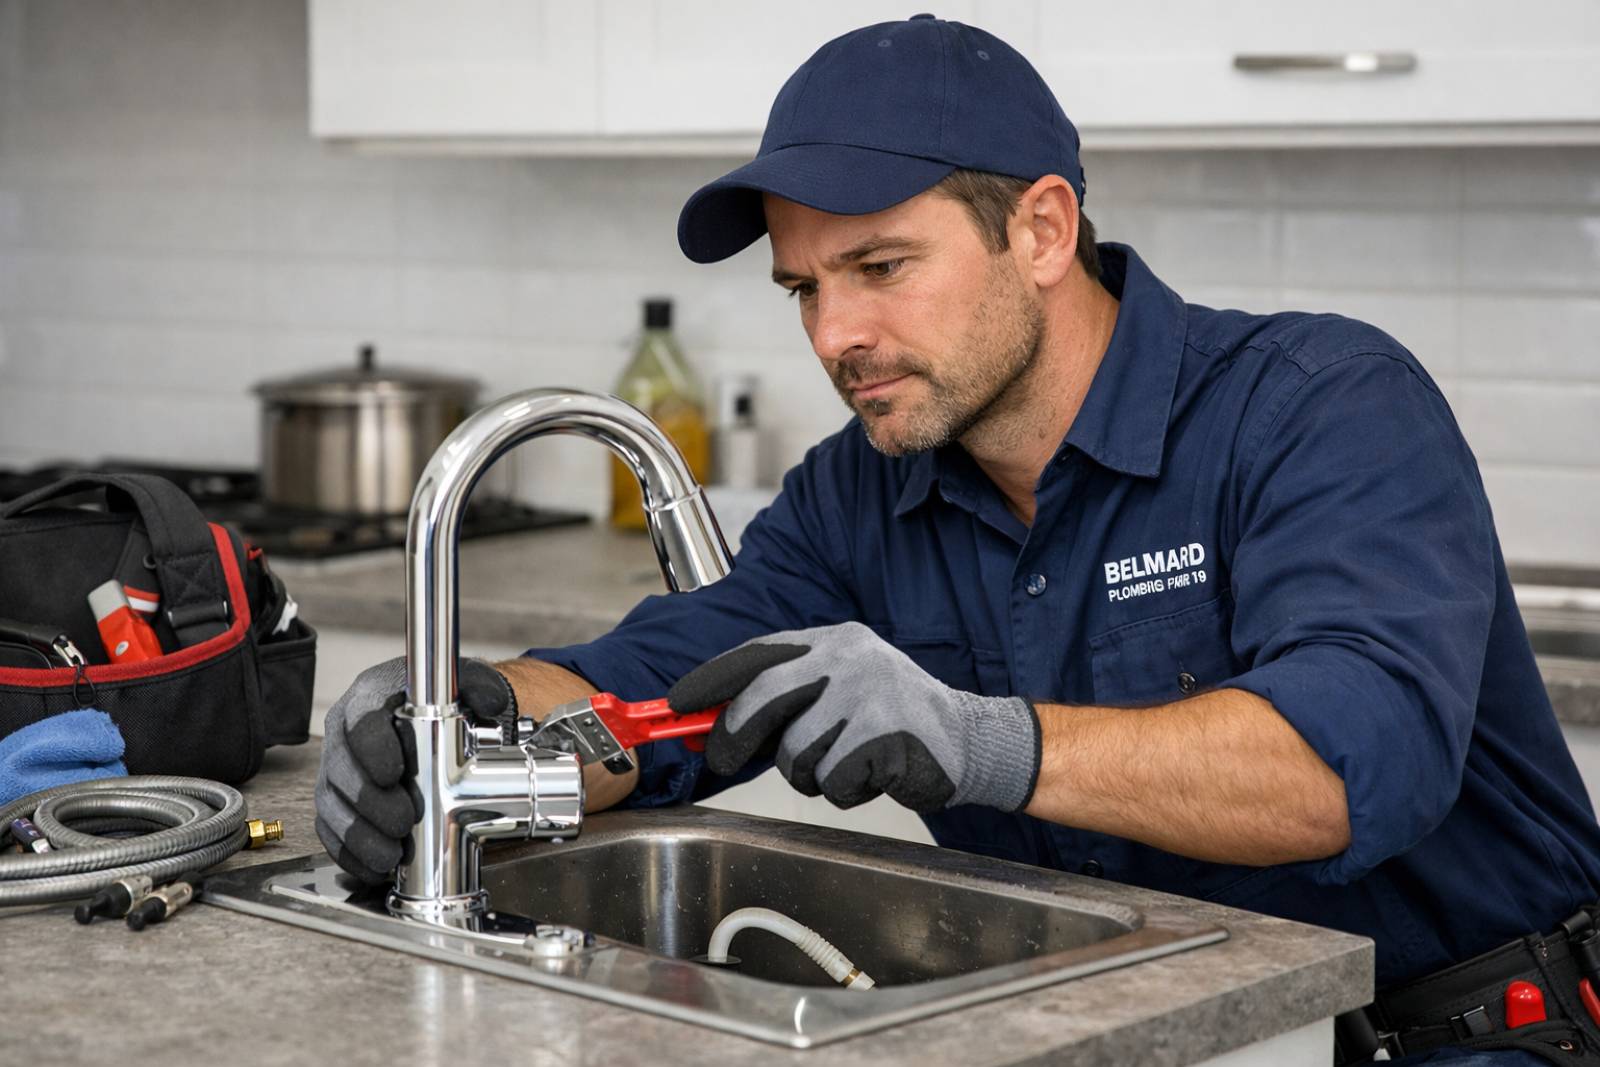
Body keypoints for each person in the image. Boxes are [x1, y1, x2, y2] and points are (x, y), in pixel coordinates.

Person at [314, 15, 1600, 1065]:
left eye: (880, 267)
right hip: (1130, 1027)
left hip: (1468, 1035)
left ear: (1041, 230)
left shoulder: (1321, 403)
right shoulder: (858, 491)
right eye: (805, 287)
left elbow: (1347, 764)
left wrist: (980, 739)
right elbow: (665, 684)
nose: (833, 335)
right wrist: (467, 717)